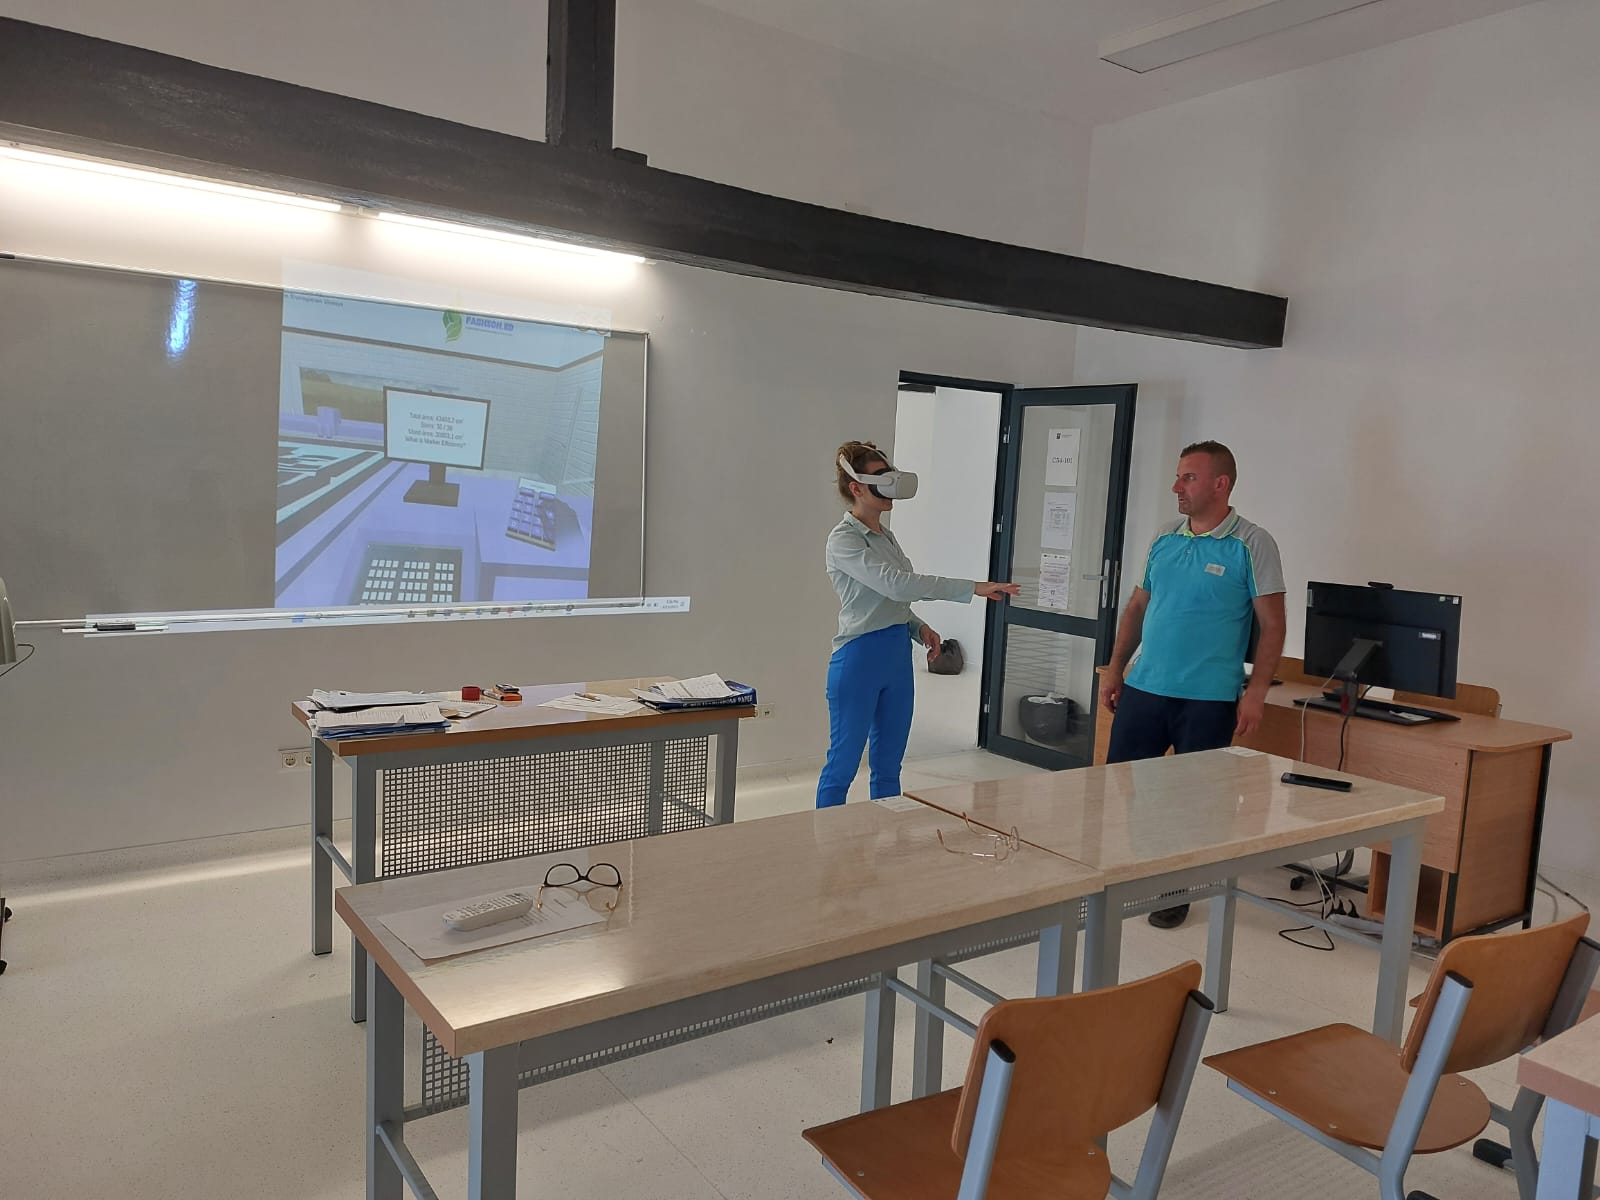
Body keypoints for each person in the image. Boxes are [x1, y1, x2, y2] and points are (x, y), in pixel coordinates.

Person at [1098, 440, 1286, 928]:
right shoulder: (1165, 536)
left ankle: (1173, 890)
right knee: (1121, 787)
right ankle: (1124, 874)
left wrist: (1257, 693)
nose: (1176, 486)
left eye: (1188, 477)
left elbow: (1273, 625)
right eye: (1178, 476)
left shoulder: (1252, 543)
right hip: (1146, 686)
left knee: (1192, 801)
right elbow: (1138, 607)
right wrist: (1116, 668)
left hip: (1208, 697)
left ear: (1220, 484)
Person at [817, 441, 1020, 809]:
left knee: (888, 766)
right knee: (842, 766)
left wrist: (916, 626)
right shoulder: (843, 540)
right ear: (856, 488)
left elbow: (889, 599)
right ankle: (826, 841)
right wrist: (972, 587)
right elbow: (896, 584)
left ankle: (886, 833)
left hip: (896, 656)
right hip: (859, 659)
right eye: (881, 478)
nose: (890, 487)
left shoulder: (886, 537)